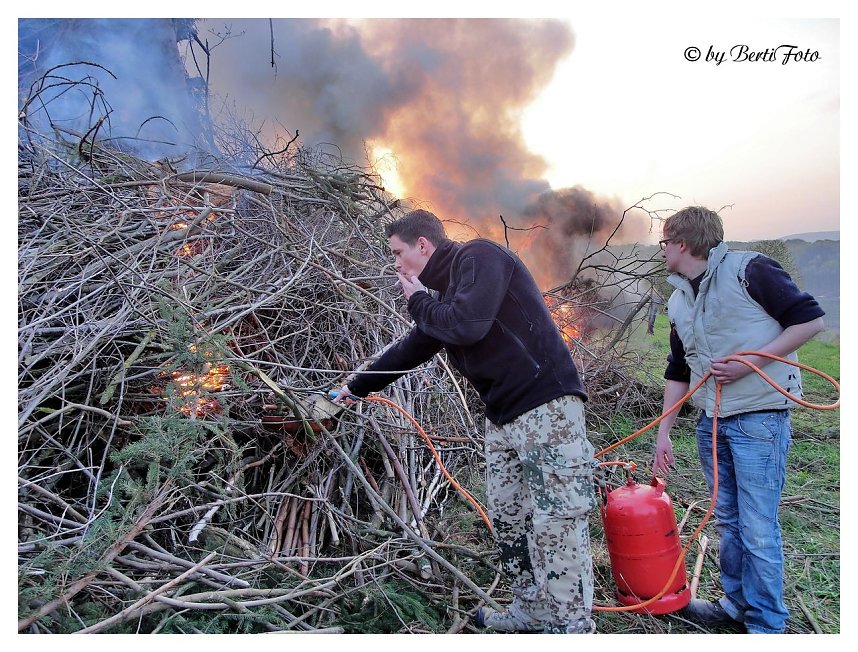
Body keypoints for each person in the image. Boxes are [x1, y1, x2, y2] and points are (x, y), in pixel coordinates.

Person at [334, 209, 596, 634]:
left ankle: (570, 628)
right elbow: (415, 347)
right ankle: (531, 611)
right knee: (511, 516)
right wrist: (357, 386)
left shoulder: (478, 257)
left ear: (423, 244)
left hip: (546, 406)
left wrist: (418, 300)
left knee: (558, 520)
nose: (396, 264)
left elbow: (469, 325)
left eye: (398, 253)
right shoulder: (446, 299)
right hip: (502, 416)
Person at [652, 206, 824, 634]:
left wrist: (749, 364)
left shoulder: (751, 270)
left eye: (664, 243)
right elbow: (679, 369)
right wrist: (664, 433)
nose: (662, 251)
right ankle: (736, 606)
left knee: (758, 525)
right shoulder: (678, 299)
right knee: (727, 517)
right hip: (711, 422)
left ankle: (767, 625)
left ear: (682, 244)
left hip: (759, 419)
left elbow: (810, 320)